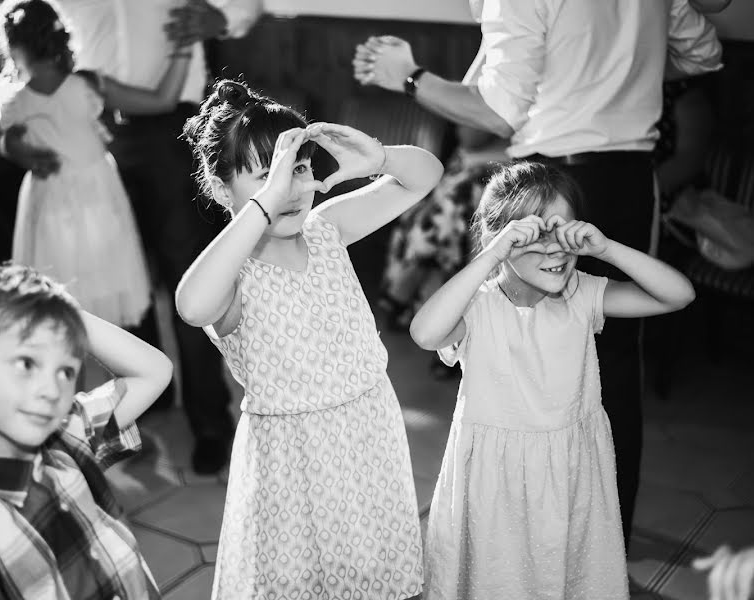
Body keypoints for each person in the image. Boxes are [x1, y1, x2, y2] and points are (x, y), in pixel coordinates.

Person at [353, 0, 722, 547]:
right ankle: (597, 533)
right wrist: (613, 77)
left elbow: (495, 117)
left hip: (549, 181)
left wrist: (407, 76)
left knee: (554, 337)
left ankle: (565, 527)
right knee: (613, 362)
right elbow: (703, 52)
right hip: (627, 175)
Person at [176, 80, 443, 599]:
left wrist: (380, 157)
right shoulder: (231, 274)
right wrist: (265, 204)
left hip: (368, 443)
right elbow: (191, 306)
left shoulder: (327, 228)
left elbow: (424, 176)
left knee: (376, 578)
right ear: (219, 187)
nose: (292, 189)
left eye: (298, 169)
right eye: (269, 177)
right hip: (294, 472)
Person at [409, 162, 696, 599]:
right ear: (501, 239)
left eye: (561, 232)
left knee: (568, 569)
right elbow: (425, 332)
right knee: (500, 574)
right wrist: (490, 254)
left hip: (571, 467)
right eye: (534, 236)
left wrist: (608, 249)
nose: (555, 251)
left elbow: (679, 294)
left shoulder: (582, 293)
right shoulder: (477, 309)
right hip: (496, 480)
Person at [22, 0, 264, 474]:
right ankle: (146, 398)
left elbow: (247, 7)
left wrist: (222, 19)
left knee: (189, 276)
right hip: (89, 130)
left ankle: (210, 421)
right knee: (120, 275)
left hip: (175, 124)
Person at [0, 263, 173, 598]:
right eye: (27, 363)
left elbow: (154, 372)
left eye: (65, 370)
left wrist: (65, 313)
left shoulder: (66, 436)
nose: (51, 390)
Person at [0, 0, 192, 334]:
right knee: (104, 306)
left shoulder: (11, 97)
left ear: (10, 46)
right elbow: (162, 100)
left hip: (49, 211)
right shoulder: (87, 86)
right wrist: (184, 47)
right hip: (100, 204)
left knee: (58, 316)